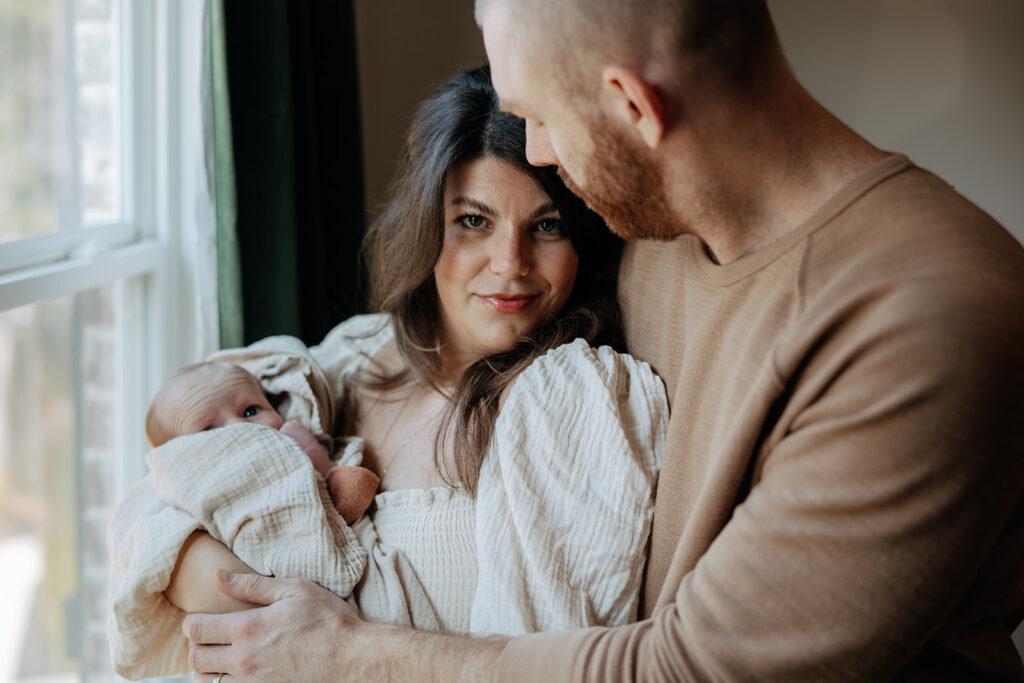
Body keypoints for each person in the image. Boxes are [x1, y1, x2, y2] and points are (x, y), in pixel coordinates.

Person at [173, 0, 1024, 681]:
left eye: (538, 115)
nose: (537, 151)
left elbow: (691, 669)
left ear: (631, 105)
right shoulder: (653, 228)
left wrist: (354, 655)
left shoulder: (922, 316)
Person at [107, 66, 668, 680]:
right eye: (473, 221)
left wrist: (343, 652)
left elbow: (560, 668)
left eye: (548, 225)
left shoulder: (567, 400)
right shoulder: (352, 358)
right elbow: (156, 488)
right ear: (428, 223)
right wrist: (224, 594)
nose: (510, 264)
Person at [144, 361, 380, 525]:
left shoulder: (294, 450)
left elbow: (348, 503)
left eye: (250, 411)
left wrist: (317, 460)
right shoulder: (185, 498)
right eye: (208, 430)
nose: (240, 427)